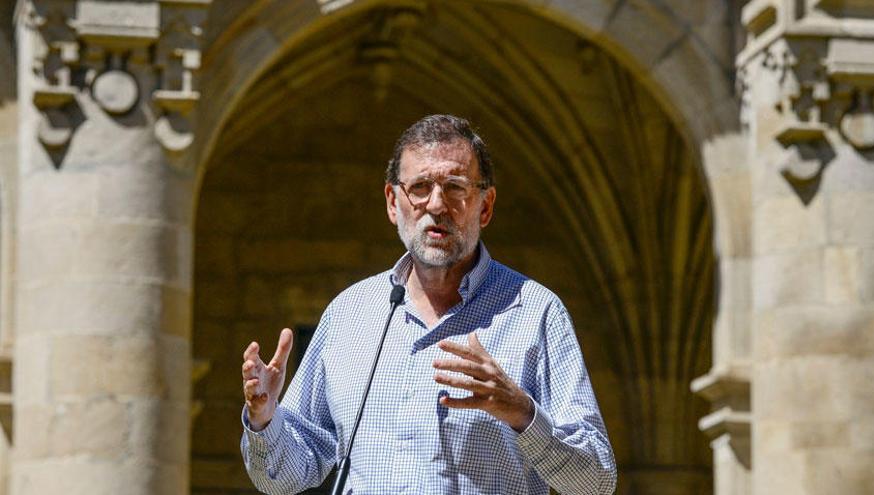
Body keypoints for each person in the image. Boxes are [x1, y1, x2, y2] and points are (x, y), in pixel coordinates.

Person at [240, 114, 617, 494]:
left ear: (485, 207)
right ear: (393, 202)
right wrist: (266, 421)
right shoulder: (349, 313)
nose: (437, 204)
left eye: (455, 187)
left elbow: (596, 483)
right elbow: (287, 477)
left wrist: (522, 413)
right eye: (420, 187)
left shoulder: (536, 313)